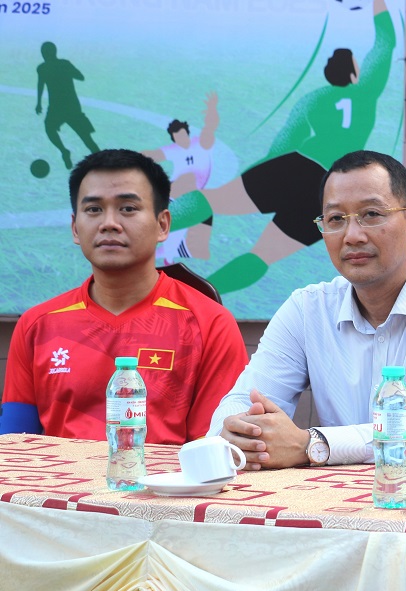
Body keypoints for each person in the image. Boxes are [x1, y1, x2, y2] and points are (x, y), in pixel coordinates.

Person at [208, 150, 406, 469]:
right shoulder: (307, 309)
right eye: (336, 219)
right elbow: (241, 403)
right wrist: (241, 434)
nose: (352, 236)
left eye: (371, 214)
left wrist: (313, 445)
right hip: (340, 496)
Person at [0, 149, 249, 445]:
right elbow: (13, 445)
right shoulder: (36, 325)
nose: (109, 223)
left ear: (162, 225)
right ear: (75, 228)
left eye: (128, 208)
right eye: (94, 209)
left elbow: (214, 448)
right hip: (55, 477)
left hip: (167, 477)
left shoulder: (211, 324)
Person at [170, 0, 396, 295]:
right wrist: (378, 3)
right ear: (355, 71)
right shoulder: (366, 93)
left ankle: (147, 226)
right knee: (261, 257)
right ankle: (196, 300)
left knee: (212, 201)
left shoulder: (312, 100)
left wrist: (258, 176)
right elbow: (385, 43)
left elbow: (282, 145)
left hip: (294, 167)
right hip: (328, 190)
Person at [142, 91, 220, 263]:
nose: (181, 139)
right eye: (177, 137)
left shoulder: (201, 143)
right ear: (174, 139)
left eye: (183, 135)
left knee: (180, 234)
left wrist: (212, 110)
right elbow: (153, 154)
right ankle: (165, 253)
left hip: (188, 196)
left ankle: (166, 254)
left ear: (187, 133)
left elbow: (210, 126)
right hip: (176, 194)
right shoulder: (173, 149)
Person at [35, 41, 100, 170]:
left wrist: (39, 103)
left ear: (43, 54)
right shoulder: (64, 64)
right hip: (71, 106)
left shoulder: (43, 68)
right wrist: (67, 72)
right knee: (86, 137)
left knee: (50, 129)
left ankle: (64, 151)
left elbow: (40, 85)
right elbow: (80, 77)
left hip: (58, 107)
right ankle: (100, 160)